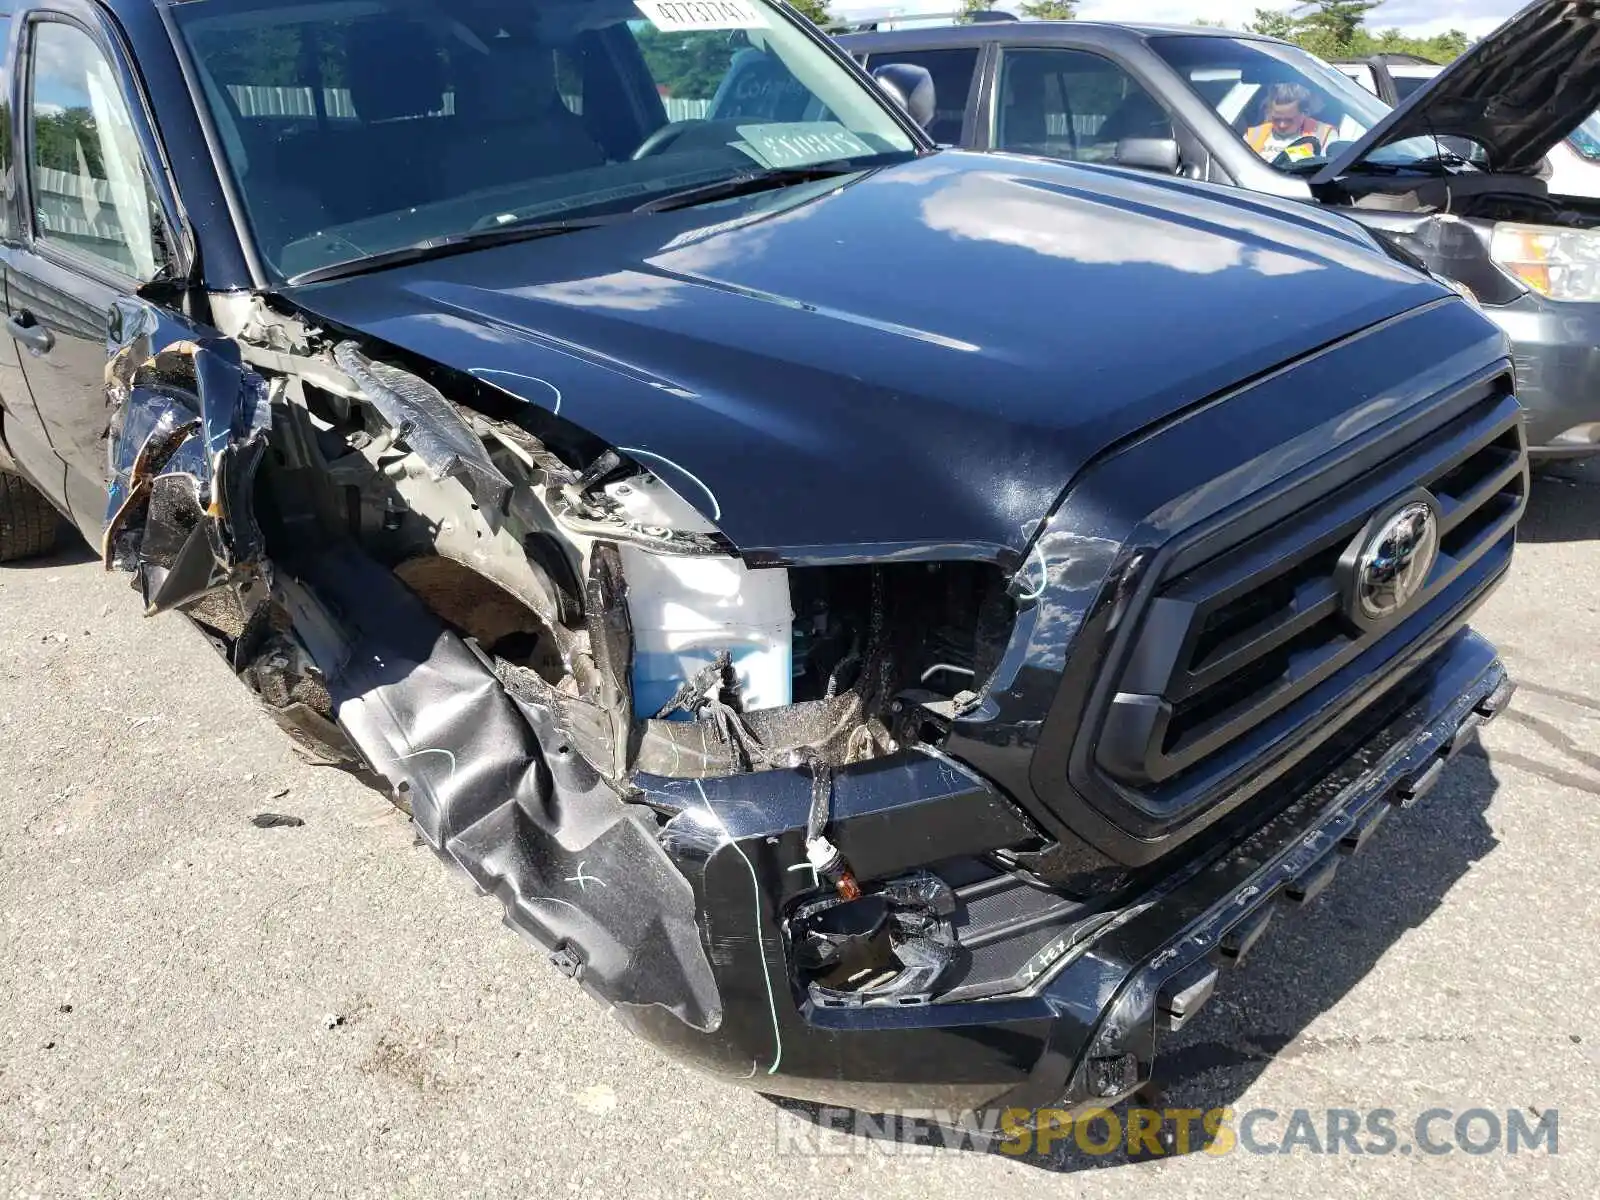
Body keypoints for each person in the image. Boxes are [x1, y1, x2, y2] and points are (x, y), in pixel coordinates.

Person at [1245, 83, 1337, 163]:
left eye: (1289, 120)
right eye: (1276, 119)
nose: (1282, 125)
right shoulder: (1253, 136)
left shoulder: (1324, 134)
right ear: (1269, 111)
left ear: (1305, 113)